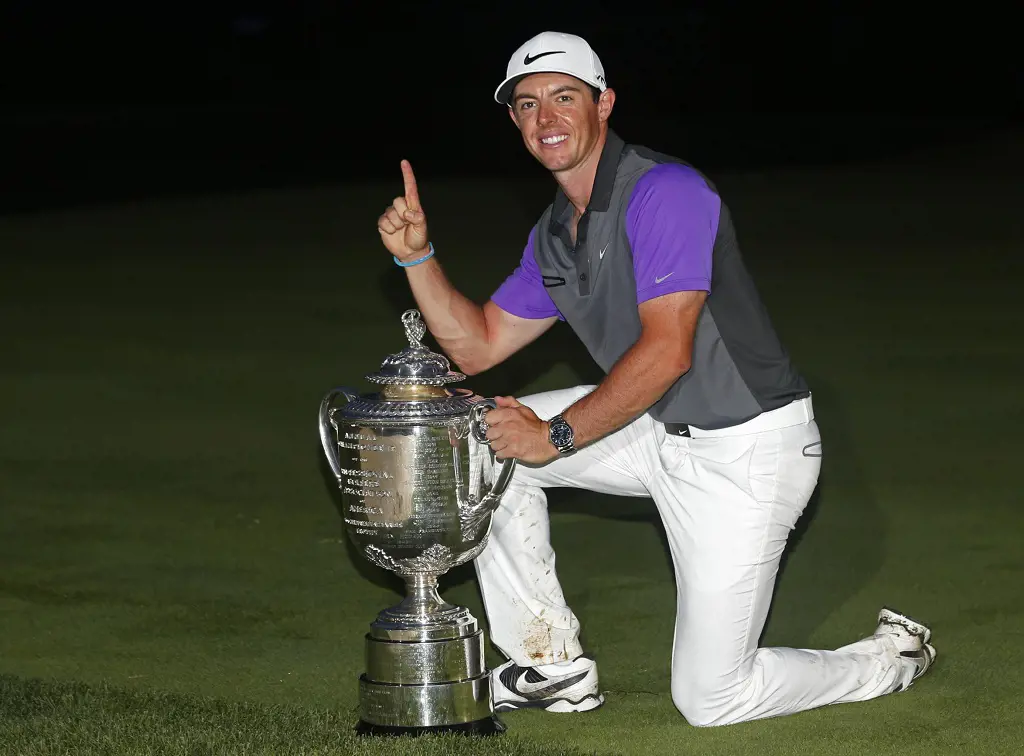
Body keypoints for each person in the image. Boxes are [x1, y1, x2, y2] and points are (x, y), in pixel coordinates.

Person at [375, 30, 936, 727]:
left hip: (746, 452)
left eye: (563, 98)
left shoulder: (665, 191)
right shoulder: (556, 231)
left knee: (710, 699)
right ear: (514, 121)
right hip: (655, 424)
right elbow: (480, 343)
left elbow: (669, 351)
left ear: (604, 104)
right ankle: (550, 668)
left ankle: (887, 660)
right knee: (483, 446)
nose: (545, 119)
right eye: (527, 105)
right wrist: (418, 257)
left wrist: (554, 435)